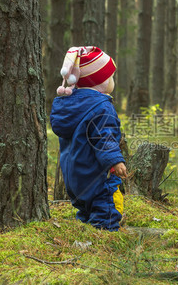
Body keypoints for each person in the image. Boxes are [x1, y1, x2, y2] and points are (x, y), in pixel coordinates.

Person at [49, 46, 127, 231]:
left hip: (74, 178)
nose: (112, 81)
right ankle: (103, 241)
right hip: (96, 177)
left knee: (85, 211)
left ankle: (85, 234)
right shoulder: (101, 107)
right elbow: (104, 137)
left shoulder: (71, 105)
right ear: (100, 82)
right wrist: (115, 161)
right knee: (107, 209)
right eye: (110, 77)